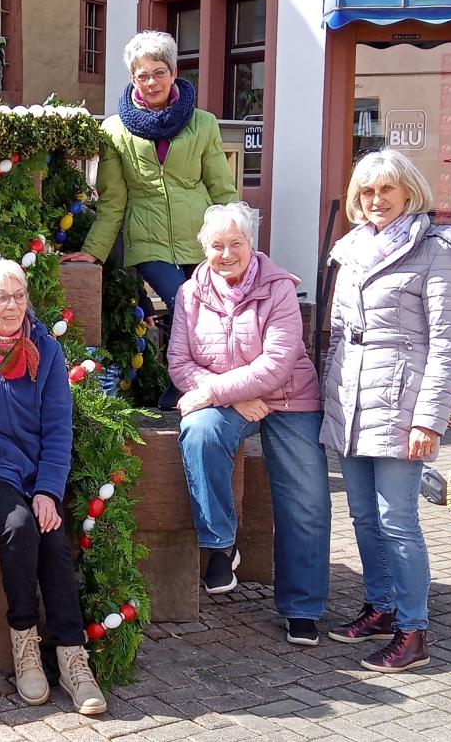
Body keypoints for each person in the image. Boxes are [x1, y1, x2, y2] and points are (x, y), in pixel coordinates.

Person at [321, 149, 451, 672]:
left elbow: (447, 342)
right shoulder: (350, 249)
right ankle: (382, 607)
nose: (376, 201)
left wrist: (428, 419)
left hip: (399, 399)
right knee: (363, 516)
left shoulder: (439, 250)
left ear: (409, 192)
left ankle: (413, 632)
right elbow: (337, 335)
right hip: (351, 398)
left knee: (399, 520)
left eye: (387, 190)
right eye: (367, 191)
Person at [0, 252, 108, 715]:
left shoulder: (46, 351)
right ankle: (25, 645)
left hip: (35, 474)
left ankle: (74, 658)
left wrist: (48, 490)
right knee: (18, 526)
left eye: (19, 296)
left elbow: (58, 427)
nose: (12, 305)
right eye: (1, 297)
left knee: (52, 539)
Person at [167, 202, 332, 646]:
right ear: (204, 248)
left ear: (251, 244)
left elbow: (279, 363)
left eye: (234, 243)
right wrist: (232, 399)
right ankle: (221, 544)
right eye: (216, 245)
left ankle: (302, 607)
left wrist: (217, 392)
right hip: (236, 399)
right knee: (199, 431)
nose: (226, 253)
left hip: (289, 397)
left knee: (305, 500)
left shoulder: (278, 287)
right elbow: (180, 363)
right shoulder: (189, 293)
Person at [61, 30, 238, 405]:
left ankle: (206, 382)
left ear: (174, 73)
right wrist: (94, 250)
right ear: (132, 79)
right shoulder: (114, 130)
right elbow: (112, 199)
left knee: (212, 308)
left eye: (159, 72)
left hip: (201, 236)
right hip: (147, 238)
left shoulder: (203, 123)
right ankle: (184, 380)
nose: (152, 82)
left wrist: (238, 239)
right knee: (185, 301)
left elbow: (221, 188)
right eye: (143, 75)